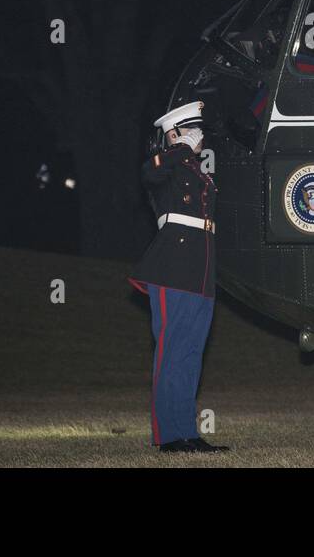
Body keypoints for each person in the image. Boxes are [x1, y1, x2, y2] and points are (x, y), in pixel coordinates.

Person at [127, 101, 228, 453]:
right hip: (173, 266)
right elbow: (149, 173)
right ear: (174, 134)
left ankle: (187, 431)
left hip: (199, 268)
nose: (200, 137)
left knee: (191, 353)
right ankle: (169, 435)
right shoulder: (166, 165)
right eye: (191, 130)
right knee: (171, 351)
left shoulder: (197, 171)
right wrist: (180, 148)